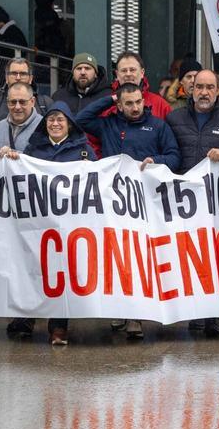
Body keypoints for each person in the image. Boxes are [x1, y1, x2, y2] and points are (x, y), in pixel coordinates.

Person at [77, 84, 181, 339]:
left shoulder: (158, 126)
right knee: (115, 255)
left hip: (145, 204)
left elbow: (174, 156)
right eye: (129, 103)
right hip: (113, 202)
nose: (135, 107)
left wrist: (156, 161)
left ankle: (136, 317)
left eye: (138, 102)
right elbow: (81, 119)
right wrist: (110, 99)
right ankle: (119, 309)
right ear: (119, 105)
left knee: (138, 257)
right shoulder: (108, 124)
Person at [0, 103, 96, 344]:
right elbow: (19, 172)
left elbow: (97, 182)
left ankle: (58, 327)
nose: (55, 123)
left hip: (70, 225)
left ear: (69, 124)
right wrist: (10, 157)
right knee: (34, 270)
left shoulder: (84, 151)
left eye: (60, 119)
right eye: (51, 119)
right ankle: (25, 319)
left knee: (62, 274)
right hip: (39, 223)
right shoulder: (33, 150)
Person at [166, 69, 219, 336]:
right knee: (191, 258)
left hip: (217, 202)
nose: (204, 92)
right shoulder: (174, 118)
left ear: (218, 91)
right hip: (184, 203)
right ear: (191, 89)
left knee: (215, 260)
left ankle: (213, 315)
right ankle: (195, 313)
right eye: (199, 87)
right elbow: (167, 153)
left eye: (210, 87)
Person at [0, 57, 52, 126]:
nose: (18, 78)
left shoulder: (45, 103)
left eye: (23, 74)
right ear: (6, 78)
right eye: (14, 73)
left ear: (30, 78)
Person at [0, 4, 29, 96]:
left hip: (3, 82)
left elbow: (2, 55)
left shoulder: (10, 34)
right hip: (2, 82)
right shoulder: (10, 33)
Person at [111, 51, 172, 119]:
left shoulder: (161, 105)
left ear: (142, 73)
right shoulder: (107, 103)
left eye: (132, 70)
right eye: (124, 70)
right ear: (117, 74)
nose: (128, 74)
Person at [0, 82, 42, 152]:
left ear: (32, 101)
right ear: (7, 102)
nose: (17, 107)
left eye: (22, 102)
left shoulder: (43, 127)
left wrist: (16, 155)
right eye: (13, 102)